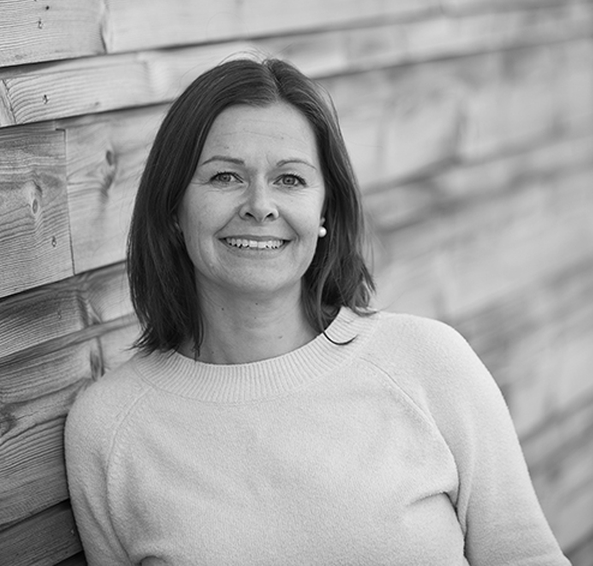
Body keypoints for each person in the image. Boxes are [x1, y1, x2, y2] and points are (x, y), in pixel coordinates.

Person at [65, 57, 570, 565]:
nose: (260, 205)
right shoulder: (110, 428)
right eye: (225, 176)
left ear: (325, 209)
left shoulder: (427, 364)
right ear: (173, 209)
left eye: (289, 179)